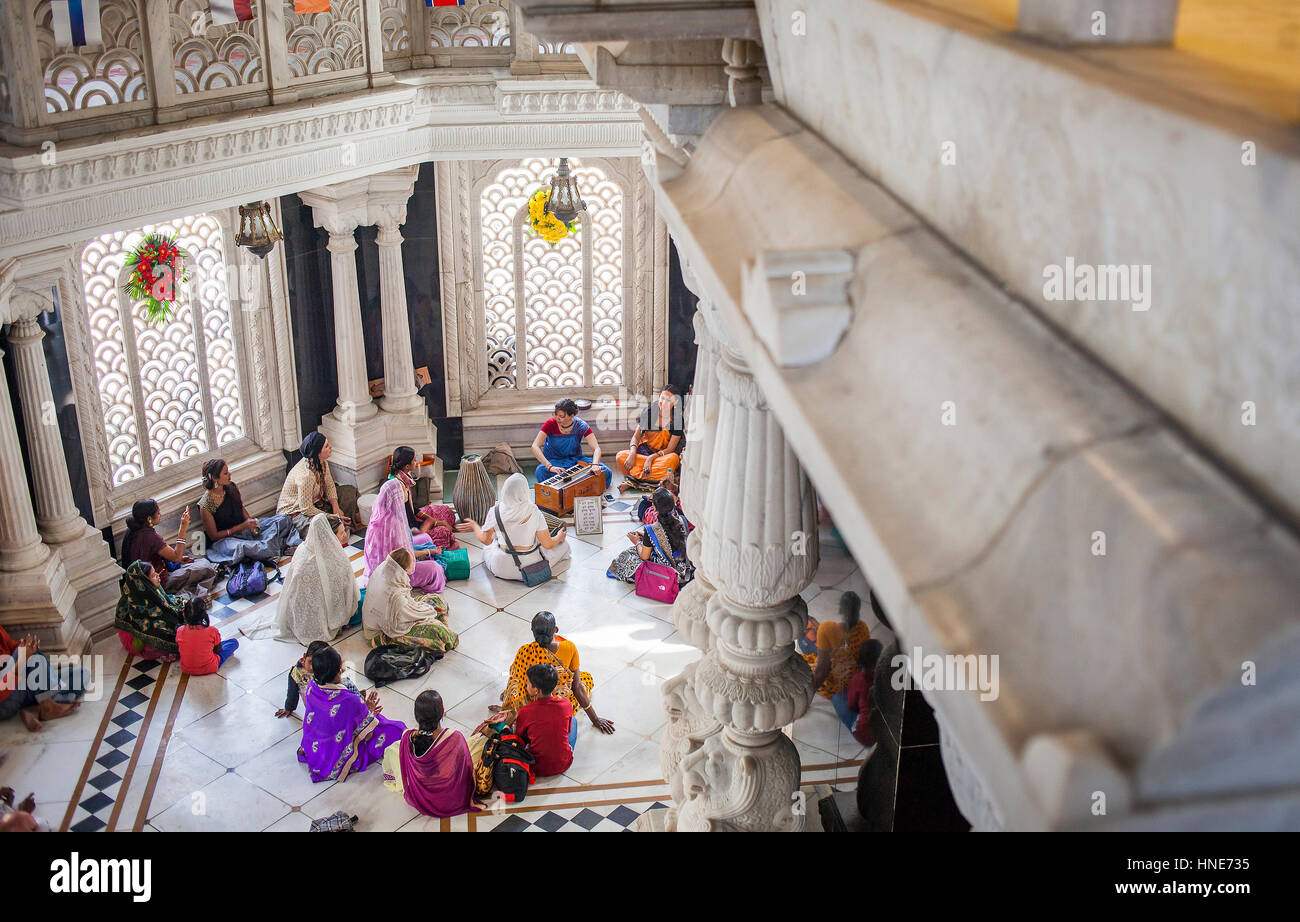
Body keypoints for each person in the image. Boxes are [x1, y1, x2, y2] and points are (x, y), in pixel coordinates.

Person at [297, 646, 404, 783]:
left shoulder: (311, 687)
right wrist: (368, 711)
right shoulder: (349, 699)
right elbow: (368, 735)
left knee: (378, 721)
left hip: (316, 751)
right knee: (397, 729)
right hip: (336, 757)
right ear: (338, 670)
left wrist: (363, 710)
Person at [498, 612, 614, 737]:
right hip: (558, 703)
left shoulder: (524, 651)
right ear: (556, 630)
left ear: (532, 631)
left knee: (517, 680)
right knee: (586, 678)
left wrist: (509, 708)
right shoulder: (569, 648)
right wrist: (595, 719)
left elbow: (517, 680)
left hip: (531, 700)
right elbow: (577, 687)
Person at [456, 472, 570, 581]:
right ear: (525, 491)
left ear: (505, 490)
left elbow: (486, 541)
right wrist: (559, 537)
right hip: (530, 568)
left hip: (500, 568)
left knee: (489, 547)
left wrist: (475, 526)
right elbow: (548, 544)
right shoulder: (534, 511)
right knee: (564, 545)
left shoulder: (494, 511)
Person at [382, 690, 475, 817]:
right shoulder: (454, 737)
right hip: (449, 799)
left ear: (416, 715)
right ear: (442, 713)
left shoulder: (407, 737)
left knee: (392, 749)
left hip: (420, 798)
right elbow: (466, 771)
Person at [271, 513, 358, 645]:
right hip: (322, 618)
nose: (345, 535)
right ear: (328, 537)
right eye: (341, 533)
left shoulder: (303, 549)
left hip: (297, 618)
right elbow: (347, 591)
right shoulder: (331, 561)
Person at [197, 459, 299, 565]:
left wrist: (252, 525)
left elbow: (241, 508)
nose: (230, 474)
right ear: (215, 478)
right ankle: (278, 547)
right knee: (245, 547)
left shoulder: (231, 487)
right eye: (226, 473)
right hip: (226, 540)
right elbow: (214, 536)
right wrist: (241, 527)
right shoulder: (206, 504)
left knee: (284, 520)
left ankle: (287, 546)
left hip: (243, 530)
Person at [362, 549, 458, 654]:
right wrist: (426, 614)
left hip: (384, 618)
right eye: (413, 561)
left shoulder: (385, 569)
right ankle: (441, 626)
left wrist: (423, 610)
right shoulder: (396, 597)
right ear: (406, 569)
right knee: (439, 632)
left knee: (436, 599)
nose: (415, 562)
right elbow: (405, 620)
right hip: (379, 634)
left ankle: (437, 619)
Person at [120, 499, 217, 599]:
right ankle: (189, 592)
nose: (160, 514)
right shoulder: (149, 536)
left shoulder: (132, 529)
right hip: (158, 583)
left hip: (147, 578)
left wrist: (177, 558)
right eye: (158, 513)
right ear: (149, 519)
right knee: (206, 566)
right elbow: (176, 557)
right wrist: (183, 527)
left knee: (185, 553)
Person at [363, 478, 446, 593]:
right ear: (397, 497)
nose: (406, 492)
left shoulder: (379, 515)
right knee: (435, 569)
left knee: (425, 538)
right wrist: (429, 552)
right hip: (396, 573)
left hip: (385, 562)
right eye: (403, 491)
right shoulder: (394, 526)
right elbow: (406, 559)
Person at [0, 626, 87, 732]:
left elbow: (14, 648)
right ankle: (47, 706)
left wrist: (44, 665)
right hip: (4, 700)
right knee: (32, 655)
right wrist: (23, 659)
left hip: (19, 686)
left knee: (82, 674)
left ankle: (34, 709)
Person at [607, 487, 694, 585]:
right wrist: (646, 537)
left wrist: (637, 542)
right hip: (685, 568)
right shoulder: (682, 519)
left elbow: (644, 556)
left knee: (626, 555)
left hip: (668, 573)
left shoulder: (651, 529)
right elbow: (669, 537)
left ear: (655, 507)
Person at [277, 433, 351, 542]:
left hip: (316, 503)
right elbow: (306, 508)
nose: (330, 447)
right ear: (318, 453)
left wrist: (335, 508)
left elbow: (330, 485)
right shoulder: (306, 475)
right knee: (322, 524)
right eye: (326, 446)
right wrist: (331, 516)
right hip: (296, 514)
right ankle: (338, 534)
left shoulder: (322, 462)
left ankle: (340, 529)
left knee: (350, 493)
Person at [113, 561, 187, 661]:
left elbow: (165, 603)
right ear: (143, 583)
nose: (158, 575)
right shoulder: (132, 602)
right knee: (171, 631)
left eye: (155, 572)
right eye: (153, 575)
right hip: (142, 632)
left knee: (180, 606)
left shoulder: (150, 591)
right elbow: (151, 623)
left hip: (152, 618)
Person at [531, 398, 612, 489]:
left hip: (575, 460)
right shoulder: (550, 424)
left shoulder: (581, 425)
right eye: (556, 414)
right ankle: (572, 488)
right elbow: (535, 446)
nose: (557, 418)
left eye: (562, 416)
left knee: (606, 471)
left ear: (571, 415)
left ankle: (575, 489)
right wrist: (550, 467)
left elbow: (596, 448)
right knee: (541, 471)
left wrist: (595, 465)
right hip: (554, 462)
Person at [616, 384, 684, 488]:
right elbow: (636, 436)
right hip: (643, 452)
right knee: (621, 456)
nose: (664, 403)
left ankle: (635, 481)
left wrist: (651, 459)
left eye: (669, 400)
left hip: (661, 456)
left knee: (673, 459)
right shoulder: (650, 411)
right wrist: (632, 454)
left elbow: (670, 449)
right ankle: (654, 481)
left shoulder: (678, 419)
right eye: (662, 398)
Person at [515, 663, 575, 777]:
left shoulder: (525, 711)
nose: (525, 684)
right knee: (574, 721)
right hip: (564, 764)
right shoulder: (566, 704)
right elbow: (567, 730)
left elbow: (520, 739)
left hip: (537, 767)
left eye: (527, 682)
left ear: (536, 690)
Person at [809, 591, 872, 699]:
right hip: (854, 675)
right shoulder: (863, 628)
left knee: (803, 661)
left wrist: (809, 693)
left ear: (841, 610)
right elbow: (865, 660)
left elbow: (822, 670)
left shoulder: (827, 629)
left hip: (837, 683)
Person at [275, 640, 360, 718]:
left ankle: (360, 701)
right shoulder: (297, 672)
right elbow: (292, 690)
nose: (313, 667)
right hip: (315, 708)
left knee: (347, 684)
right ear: (304, 657)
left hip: (332, 702)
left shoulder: (326, 669)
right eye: (311, 662)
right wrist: (289, 707)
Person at [833, 639, 882, 747]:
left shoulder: (859, 679)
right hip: (888, 732)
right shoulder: (891, 676)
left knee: (837, 698)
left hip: (868, 736)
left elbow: (852, 705)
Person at [176, 598, 238, 676]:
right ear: (204, 614)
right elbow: (218, 649)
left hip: (186, 669)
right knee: (233, 642)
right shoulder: (212, 630)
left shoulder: (180, 630)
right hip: (210, 667)